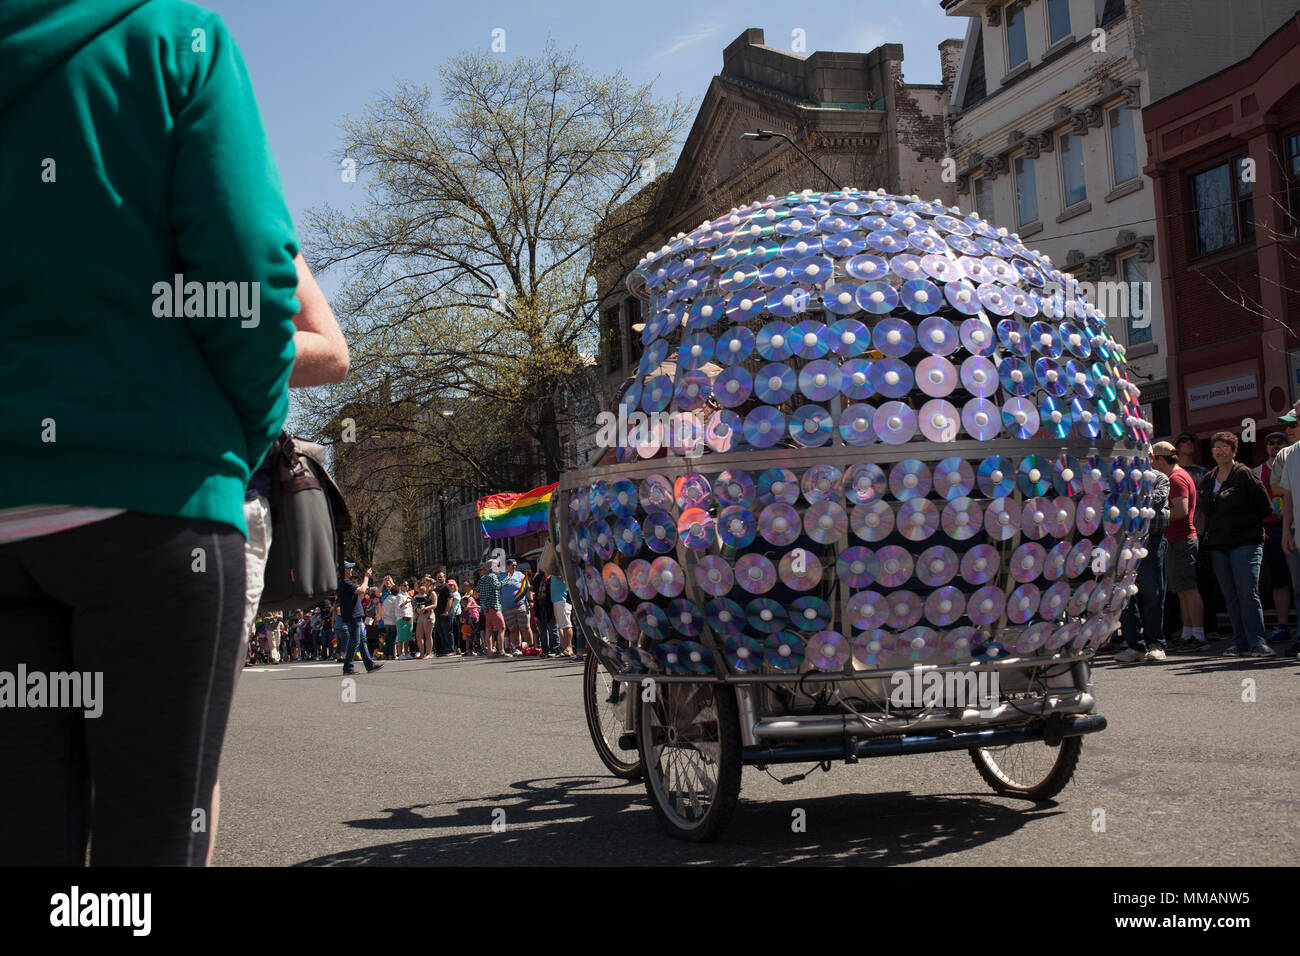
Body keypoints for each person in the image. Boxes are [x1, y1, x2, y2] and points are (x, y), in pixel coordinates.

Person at [1198, 432, 1275, 656]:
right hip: (1218, 546)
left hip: (1246, 542)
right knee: (1229, 596)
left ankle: (1258, 641)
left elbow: (1265, 507)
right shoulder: (1209, 479)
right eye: (1216, 447)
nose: (1220, 451)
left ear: (1234, 450)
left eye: (1224, 447)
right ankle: (1239, 641)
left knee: (1247, 592)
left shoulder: (1245, 475)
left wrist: (1242, 522)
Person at [1116, 459, 1170, 662]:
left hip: (1151, 540)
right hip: (1124, 542)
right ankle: (1135, 645)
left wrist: (1127, 501)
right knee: (1125, 596)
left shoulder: (1159, 477)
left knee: (1153, 592)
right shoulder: (1119, 478)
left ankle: (1156, 643)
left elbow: (1157, 500)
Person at [1253, 432, 1293, 646]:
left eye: (1279, 443)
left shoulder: (1293, 463)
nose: (1275, 446)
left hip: (1294, 524)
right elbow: (1251, 504)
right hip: (1272, 529)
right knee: (1279, 581)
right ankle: (1283, 625)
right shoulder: (1258, 472)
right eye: (1271, 443)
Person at [1271, 406, 1300, 655]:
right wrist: (1285, 532)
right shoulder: (1289, 454)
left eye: (1294, 423)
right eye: (1287, 425)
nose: (1289, 429)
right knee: (1298, 588)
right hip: (1294, 530)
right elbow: (1284, 494)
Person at [337, 563, 383, 674]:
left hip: (354, 615)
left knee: (361, 640)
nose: (352, 570)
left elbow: (360, 592)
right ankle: (348, 667)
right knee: (355, 641)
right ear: (345, 570)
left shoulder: (344, 582)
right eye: (349, 568)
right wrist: (366, 577)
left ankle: (369, 665)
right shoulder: (345, 582)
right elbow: (362, 590)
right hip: (353, 616)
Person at [500, 558, 532, 655]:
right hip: (506, 607)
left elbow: (528, 588)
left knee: (525, 627)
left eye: (515, 565)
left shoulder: (521, 575)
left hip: (520, 605)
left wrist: (531, 601)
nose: (515, 567)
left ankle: (531, 646)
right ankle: (517, 647)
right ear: (507, 566)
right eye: (512, 565)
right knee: (513, 629)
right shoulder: (501, 576)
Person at [476, 562, 506, 655]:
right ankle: (501, 651)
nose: (498, 568)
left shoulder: (483, 578)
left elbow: (476, 591)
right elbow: (497, 586)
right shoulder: (492, 576)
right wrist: (507, 579)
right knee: (502, 628)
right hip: (493, 606)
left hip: (486, 608)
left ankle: (489, 651)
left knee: (489, 629)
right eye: (497, 566)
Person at [551, 570, 574, 657]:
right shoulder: (556, 567)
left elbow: (559, 575)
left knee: (566, 625)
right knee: (561, 626)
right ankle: (565, 648)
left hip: (563, 600)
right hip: (557, 600)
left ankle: (569, 647)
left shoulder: (561, 567)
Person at [396, 582, 415, 659]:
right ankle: (400, 654)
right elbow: (398, 606)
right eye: (404, 585)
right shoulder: (399, 596)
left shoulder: (407, 595)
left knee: (407, 637)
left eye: (407, 585)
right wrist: (405, 602)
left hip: (409, 617)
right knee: (401, 638)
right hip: (401, 618)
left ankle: (407, 653)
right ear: (401, 586)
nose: (407, 586)